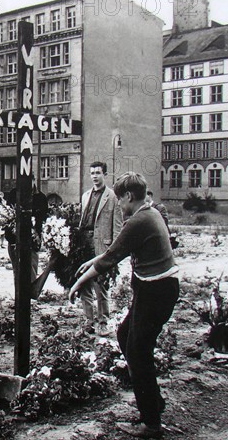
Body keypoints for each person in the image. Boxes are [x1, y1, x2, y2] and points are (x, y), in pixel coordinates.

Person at [69, 172, 179, 439]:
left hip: (157, 291)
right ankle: (153, 401)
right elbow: (111, 254)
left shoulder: (139, 221)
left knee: (138, 352)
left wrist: (76, 284)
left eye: (120, 199)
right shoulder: (149, 213)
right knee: (124, 335)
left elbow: (111, 257)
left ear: (129, 196)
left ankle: (151, 424)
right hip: (154, 289)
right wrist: (91, 262)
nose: (118, 204)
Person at [78, 161, 123, 336]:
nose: (95, 176)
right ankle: (88, 321)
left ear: (105, 174)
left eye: (98, 173)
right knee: (84, 283)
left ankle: (103, 321)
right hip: (85, 244)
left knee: (101, 284)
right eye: (92, 173)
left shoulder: (112, 197)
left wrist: (113, 252)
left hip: (102, 247)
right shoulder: (85, 195)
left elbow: (118, 227)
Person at [5, 176, 49, 287]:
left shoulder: (41, 197)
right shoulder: (14, 194)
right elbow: (7, 216)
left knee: (31, 270)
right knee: (17, 271)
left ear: (34, 181)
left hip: (32, 241)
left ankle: (30, 298)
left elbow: (43, 219)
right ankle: (19, 300)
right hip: (15, 240)